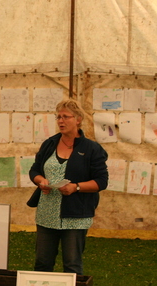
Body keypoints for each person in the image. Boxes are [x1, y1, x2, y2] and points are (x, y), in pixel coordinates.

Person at [29, 99, 108, 275]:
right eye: (58, 117)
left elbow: (101, 181)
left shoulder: (92, 149)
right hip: (47, 213)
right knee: (42, 263)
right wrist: (41, 180)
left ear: (78, 119)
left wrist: (76, 187)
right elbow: (34, 170)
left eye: (65, 117)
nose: (61, 121)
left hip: (76, 215)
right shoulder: (49, 144)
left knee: (72, 265)